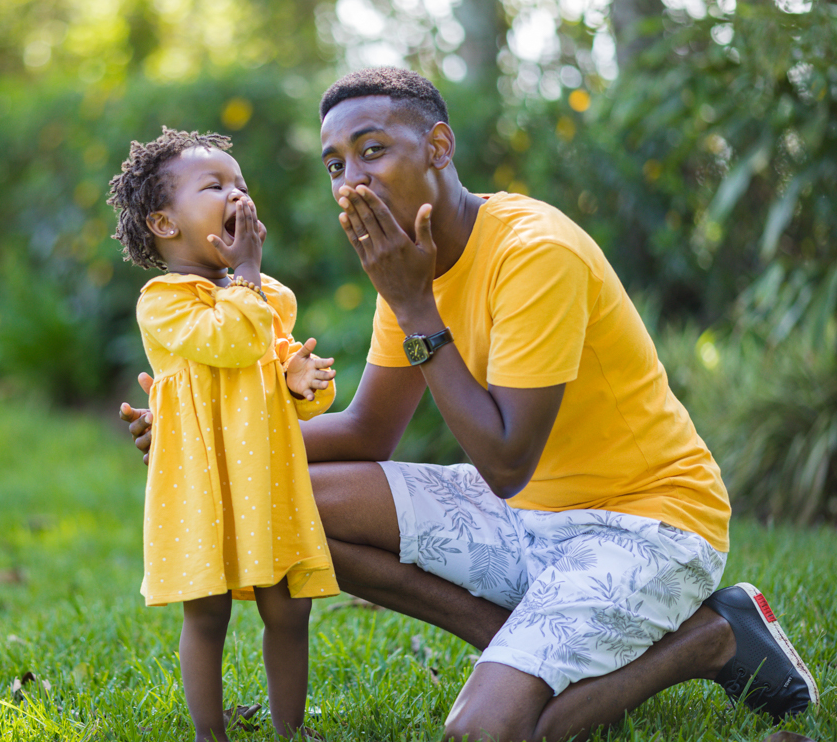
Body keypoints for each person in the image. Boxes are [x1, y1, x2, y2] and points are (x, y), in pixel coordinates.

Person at [121, 71, 817, 741]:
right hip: (524, 519)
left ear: (439, 147)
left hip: (643, 525)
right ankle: (518, 646)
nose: (352, 180)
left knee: (488, 732)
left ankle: (711, 638)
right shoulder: (410, 262)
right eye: (335, 165)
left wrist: (417, 305)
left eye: (372, 150)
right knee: (282, 499)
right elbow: (369, 431)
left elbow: (509, 461)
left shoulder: (533, 253)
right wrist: (198, 437)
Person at [109, 127, 339, 742]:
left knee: (289, 609)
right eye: (215, 186)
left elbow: (280, 365)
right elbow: (231, 341)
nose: (238, 195)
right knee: (206, 612)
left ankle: (290, 730)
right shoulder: (163, 301)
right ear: (164, 223)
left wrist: (302, 380)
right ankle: (211, 734)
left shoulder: (266, 296)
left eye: (241, 183)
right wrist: (246, 273)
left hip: (267, 478)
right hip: (203, 487)